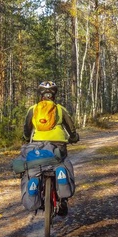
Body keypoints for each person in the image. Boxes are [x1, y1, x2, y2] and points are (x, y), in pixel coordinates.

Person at [23, 81, 79, 216]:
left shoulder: (33, 109)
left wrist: (26, 138)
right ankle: (63, 200)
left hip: (37, 145)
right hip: (58, 145)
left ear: (40, 94)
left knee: (34, 167)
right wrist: (73, 137)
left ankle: (36, 191)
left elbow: (26, 129)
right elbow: (70, 128)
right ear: (54, 94)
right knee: (63, 164)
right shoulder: (60, 109)